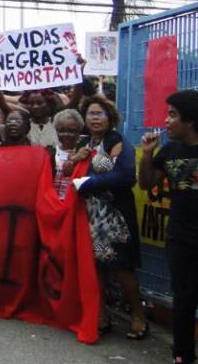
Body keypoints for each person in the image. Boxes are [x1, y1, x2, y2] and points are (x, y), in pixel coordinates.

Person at [71, 95, 146, 339]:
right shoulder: (83, 142)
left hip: (114, 217)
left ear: (109, 117)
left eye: (99, 113)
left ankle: (138, 315)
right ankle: (100, 314)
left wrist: (89, 182)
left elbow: (125, 176)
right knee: (95, 269)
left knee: (122, 268)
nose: (94, 118)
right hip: (89, 216)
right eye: (90, 114)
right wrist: (75, 160)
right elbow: (66, 171)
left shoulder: (117, 140)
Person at [138, 90, 198, 363]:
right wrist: (147, 155)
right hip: (180, 238)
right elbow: (146, 183)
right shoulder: (170, 151)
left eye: (173, 115)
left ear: (191, 120)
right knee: (184, 300)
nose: (166, 121)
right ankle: (182, 355)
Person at [49, 109, 84, 200]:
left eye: (71, 131)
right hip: (54, 204)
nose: (66, 134)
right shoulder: (50, 154)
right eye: (61, 130)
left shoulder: (84, 153)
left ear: (79, 131)